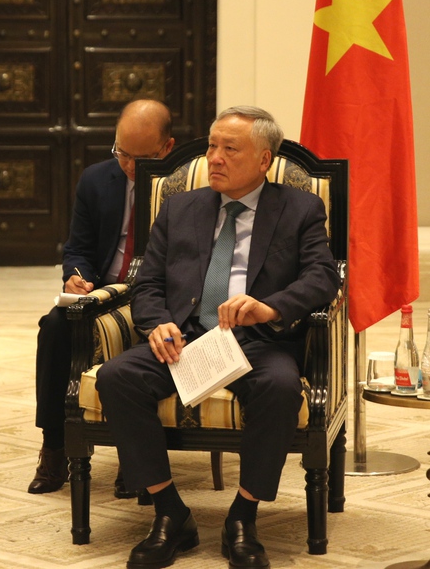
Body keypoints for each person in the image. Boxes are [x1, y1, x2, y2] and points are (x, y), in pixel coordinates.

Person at [95, 106, 340, 569]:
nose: (215, 158)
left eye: (230, 149)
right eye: (212, 146)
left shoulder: (300, 208)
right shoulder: (180, 207)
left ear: (264, 159)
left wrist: (270, 307)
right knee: (116, 376)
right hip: (186, 339)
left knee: (280, 387)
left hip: (258, 340)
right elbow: (147, 282)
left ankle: (243, 517)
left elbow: (323, 276)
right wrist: (157, 323)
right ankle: (170, 512)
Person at [29, 99, 175, 495]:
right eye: (121, 153)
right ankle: (55, 446)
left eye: (142, 158)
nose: (129, 166)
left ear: (167, 148)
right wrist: (76, 278)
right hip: (104, 293)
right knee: (55, 328)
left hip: (156, 297)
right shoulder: (96, 179)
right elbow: (77, 248)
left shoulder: (185, 186)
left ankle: (136, 456)